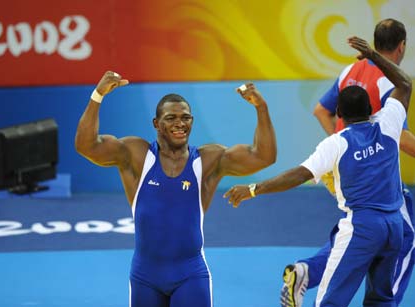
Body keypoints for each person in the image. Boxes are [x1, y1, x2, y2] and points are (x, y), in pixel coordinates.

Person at [224, 35, 412, 307]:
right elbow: (404, 83)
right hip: (394, 225)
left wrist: (253, 189)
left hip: (362, 227)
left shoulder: (336, 143)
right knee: (381, 299)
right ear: (372, 109)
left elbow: (296, 175)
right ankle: (307, 271)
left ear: (340, 115)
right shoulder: (388, 123)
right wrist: (373, 55)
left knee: (330, 302)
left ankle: (306, 272)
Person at [75, 75, 277, 306]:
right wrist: (97, 95)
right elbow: (86, 146)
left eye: (186, 118)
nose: (180, 124)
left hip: (190, 275)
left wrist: (261, 108)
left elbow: (264, 156)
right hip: (145, 276)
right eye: (171, 118)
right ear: (156, 124)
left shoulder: (209, 160)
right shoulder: (136, 155)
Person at [281, 18, 415, 307]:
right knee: (404, 236)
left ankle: (307, 271)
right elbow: (401, 138)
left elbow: (321, 110)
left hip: (342, 169)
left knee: (360, 233)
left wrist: (343, 147)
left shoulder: (349, 71)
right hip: (375, 176)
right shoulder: (386, 81)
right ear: (402, 46)